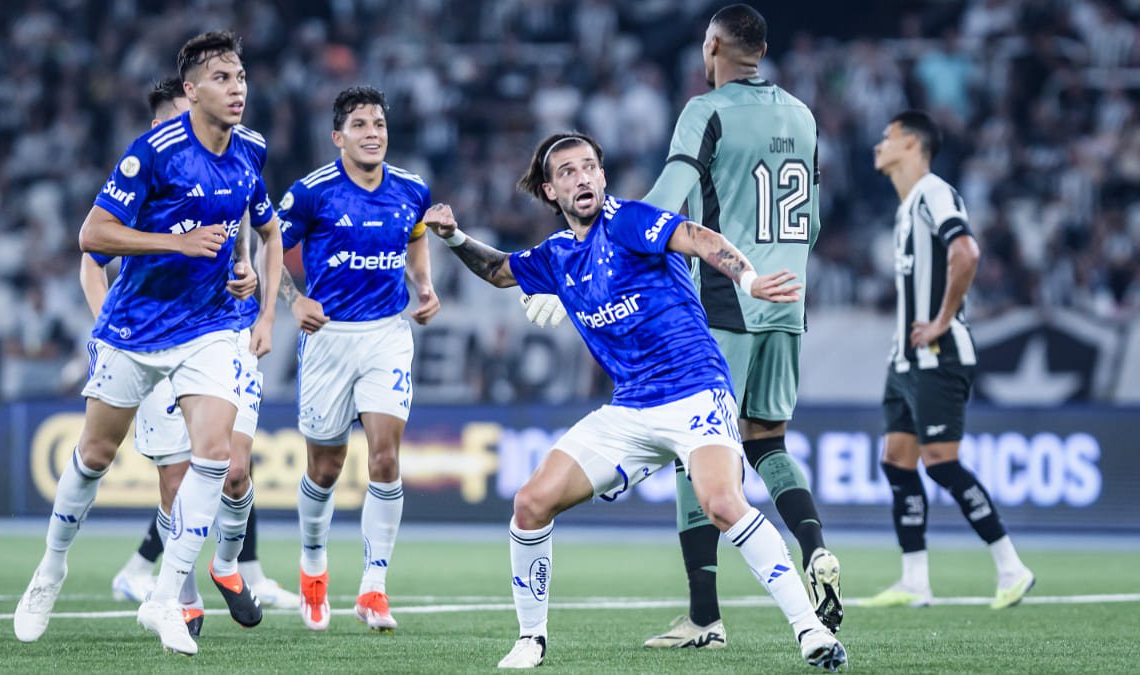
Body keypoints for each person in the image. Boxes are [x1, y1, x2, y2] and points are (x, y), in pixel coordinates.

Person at [428, 131, 846, 671]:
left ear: (602, 176)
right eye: (568, 172)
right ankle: (531, 639)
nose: (582, 178)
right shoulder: (558, 255)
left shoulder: (627, 220)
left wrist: (747, 279)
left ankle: (810, 630)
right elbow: (499, 271)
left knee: (722, 503)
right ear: (551, 191)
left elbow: (697, 236)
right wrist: (454, 237)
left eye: (589, 167)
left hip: (695, 390)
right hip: (630, 409)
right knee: (530, 504)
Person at [522, 4, 843, 644]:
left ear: (712, 46)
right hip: (787, 297)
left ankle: (704, 614)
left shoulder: (706, 109)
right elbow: (807, 216)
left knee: (692, 453)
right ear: (763, 49)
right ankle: (815, 548)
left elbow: (662, 208)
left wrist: (588, 266)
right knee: (767, 442)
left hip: (727, 300)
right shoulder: (803, 115)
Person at [14, 31, 284, 656]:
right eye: (222, 78)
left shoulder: (251, 149)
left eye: (241, 76)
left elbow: (259, 224)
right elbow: (92, 235)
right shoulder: (154, 152)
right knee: (94, 455)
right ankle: (50, 569)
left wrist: (246, 272)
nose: (237, 88)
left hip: (209, 326)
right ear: (192, 90)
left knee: (214, 456)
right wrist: (176, 243)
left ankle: (166, 597)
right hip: (137, 326)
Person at [88, 77, 297, 632]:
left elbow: (253, 230)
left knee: (233, 468)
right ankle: (180, 592)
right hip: (152, 338)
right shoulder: (142, 177)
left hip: (222, 334)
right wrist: (111, 330)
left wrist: (251, 277)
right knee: (176, 481)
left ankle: (231, 566)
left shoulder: (235, 157)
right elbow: (92, 256)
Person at [276, 86, 440, 633]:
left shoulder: (412, 188)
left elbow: (416, 236)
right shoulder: (312, 193)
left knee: (385, 460)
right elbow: (266, 245)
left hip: (386, 335)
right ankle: (313, 564)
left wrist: (424, 285)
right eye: (361, 125)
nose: (373, 134)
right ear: (338, 137)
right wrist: (293, 299)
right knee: (324, 469)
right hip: (328, 338)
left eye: (379, 124)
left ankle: (374, 587)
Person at [861, 110, 1034, 609]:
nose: (878, 144)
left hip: (938, 354)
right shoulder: (906, 208)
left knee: (940, 463)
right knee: (898, 462)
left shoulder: (935, 193)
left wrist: (941, 320)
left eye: (888, 136)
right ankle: (915, 580)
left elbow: (967, 252)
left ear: (912, 145)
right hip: (905, 360)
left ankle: (1011, 567)